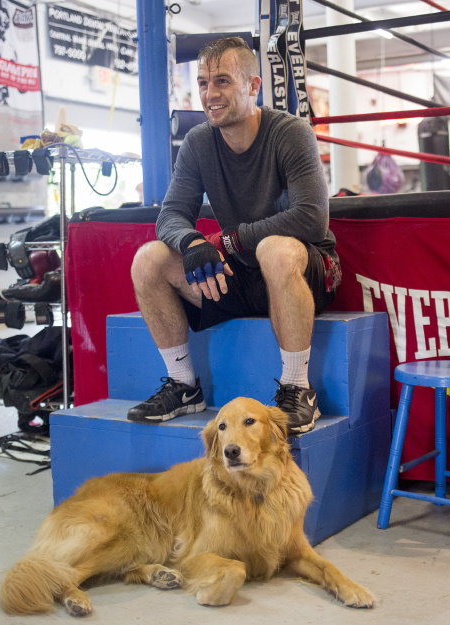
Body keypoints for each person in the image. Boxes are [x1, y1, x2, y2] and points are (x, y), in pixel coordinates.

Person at [128, 37, 340, 434]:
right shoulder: (198, 142)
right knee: (149, 258)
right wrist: (192, 243)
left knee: (274, 250)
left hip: (304, 271)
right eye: (204, 83)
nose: (210, 94)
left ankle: (298, 390)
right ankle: (184, 385)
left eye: (222, 81)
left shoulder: (290, 132)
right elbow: (171, 214)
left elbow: (311, 218)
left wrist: (230, 240)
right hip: (240, 278)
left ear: (254, 86)